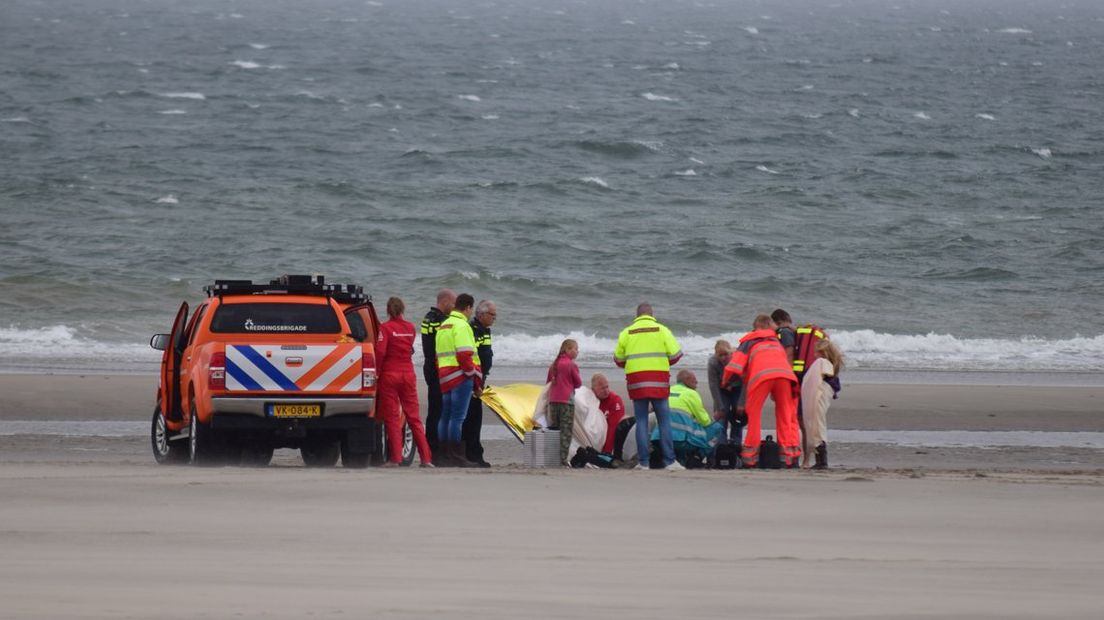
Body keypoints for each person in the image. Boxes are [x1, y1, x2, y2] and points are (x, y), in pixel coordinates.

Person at [614, 303, 685, 471]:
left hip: (637, 382)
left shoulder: (627, 332)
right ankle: (669, 461)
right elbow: (676, 355)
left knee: (641, 421)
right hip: (659, 381)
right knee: (664, 420)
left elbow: (618, 360)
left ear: (637, 315)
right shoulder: (662, 330)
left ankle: (643, 462)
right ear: (652, 314)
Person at [723, 314, 801, 468]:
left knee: (754, 415)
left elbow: (735, 365)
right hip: (784, 375)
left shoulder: (749, 340)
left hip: (761, 377)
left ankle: (751, 458)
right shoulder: (776, 340)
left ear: (757, 326)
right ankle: (788, 457)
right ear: (768, 324)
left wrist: (726, 382)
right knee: (785, 414)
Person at [375, 297, 433, 467]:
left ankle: (396, 458)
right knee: (414, 417)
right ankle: (426, 458)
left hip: (390, 375)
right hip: (408, 374)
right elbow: (408, 349)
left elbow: (380, 352)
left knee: (392, 418)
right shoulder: (410, 328)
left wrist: (377, 372)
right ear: (403, 309)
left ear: (388, 310)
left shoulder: (385, 328)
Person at [435, 293, 481, 467]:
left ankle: (444, 455)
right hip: (460, 375)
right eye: (471, 310)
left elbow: (438, 355)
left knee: (445, 416)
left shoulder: (444, 325)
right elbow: (464, 354)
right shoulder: (462, 325)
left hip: (445, 375)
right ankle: (456, 455)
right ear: (468, 308)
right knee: (457, 417)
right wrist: (471, 374)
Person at [659, 369, 725, 465]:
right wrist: (715, 418)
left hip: (659, 438)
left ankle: (681, 459)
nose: (697, 382)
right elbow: (705, 421)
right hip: (680, 440)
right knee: (717, 428)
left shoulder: (667, 390)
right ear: (686, 380)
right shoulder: (691, 394)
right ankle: (697, 457)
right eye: (694, 379)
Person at [462, 299, 496, 467]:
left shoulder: (484, 329)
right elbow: (472, 357)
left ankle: (474, 454)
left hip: (480, 378)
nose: (494, 318)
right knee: (472, 419)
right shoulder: (473, 329)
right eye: (492, 315)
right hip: (472, 378)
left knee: (475, 418)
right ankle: (472, 454)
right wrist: (476, 381)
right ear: (481, 314)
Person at [421, 288, 456, 455]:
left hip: (429, 365)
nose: (454, 307)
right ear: (445, 302)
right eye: (453, 303)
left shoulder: (428, 317)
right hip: (437, 367)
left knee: (434, 409)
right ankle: (435, 449)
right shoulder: (441, 320)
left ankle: (429, 447)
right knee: (439, 410)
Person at [801, 339, 844, 469]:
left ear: (822, 352)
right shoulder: (828, 364)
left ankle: (821, 460)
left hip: (820, 394)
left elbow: (822, 376)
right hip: (824, 393)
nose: (814, 355)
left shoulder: (822, 363)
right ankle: (820, 459)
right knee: (817, 423)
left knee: (817, 423)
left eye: (816, 352)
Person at [546, 339, 582, 466]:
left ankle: (552, 458)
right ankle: (562, 460)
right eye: (575, 349)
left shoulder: (554, 365)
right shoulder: (571, 365)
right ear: (567, 350)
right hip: (567, 401)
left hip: (553, 401)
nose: (577, 351)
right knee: (566, 432)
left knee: (554, 430)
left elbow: (548, 383)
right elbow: (578, 383)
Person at [707, 339, 743, 445]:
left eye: (725, 354)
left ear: (730, 353)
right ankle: (721, 445)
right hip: (721, 389)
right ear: (715, 354)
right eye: (720, 355)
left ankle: (736, 444)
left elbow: (745, 381)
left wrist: (742, 402)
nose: (723, 358)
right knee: (721, 417)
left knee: (738, 416)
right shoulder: (713, 362)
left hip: (738, 387)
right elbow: (713, 385)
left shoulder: (738, 359)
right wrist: (719, 407)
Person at [590, 373, 625, 455]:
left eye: (607, 387)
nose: (606, 391)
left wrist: (607, 451)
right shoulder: (589, 399)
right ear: (593, 389)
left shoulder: (615, 400)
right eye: (602, 388)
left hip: (611, 440)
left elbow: (614, 427)